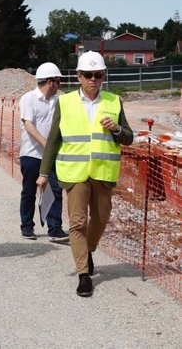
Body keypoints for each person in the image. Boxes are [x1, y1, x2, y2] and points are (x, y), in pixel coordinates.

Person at [38, 51, 133, 297]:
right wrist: (43, 173)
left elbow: (129, 138)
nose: (93, 79)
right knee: (77, 222)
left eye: (98, 75)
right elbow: (53, 140)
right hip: (75, 173)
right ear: (79, 77)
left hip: (102, 172)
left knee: (101, 218)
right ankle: (83, 274)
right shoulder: (65, 102)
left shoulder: (114, 101)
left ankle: (88, 250)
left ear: (103, 77)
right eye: (88, 75)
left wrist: (117, 129)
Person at [18, 63, 69, 243]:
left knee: (55, 190)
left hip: (52, 156)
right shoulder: (28, 99)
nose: (59, 85)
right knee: (29, 191)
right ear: (50, 82)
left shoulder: (59, 101)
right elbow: (28, 124)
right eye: (58, 81)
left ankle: (55, 228)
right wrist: (47, 144)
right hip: (31, 154)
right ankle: (27, 226)